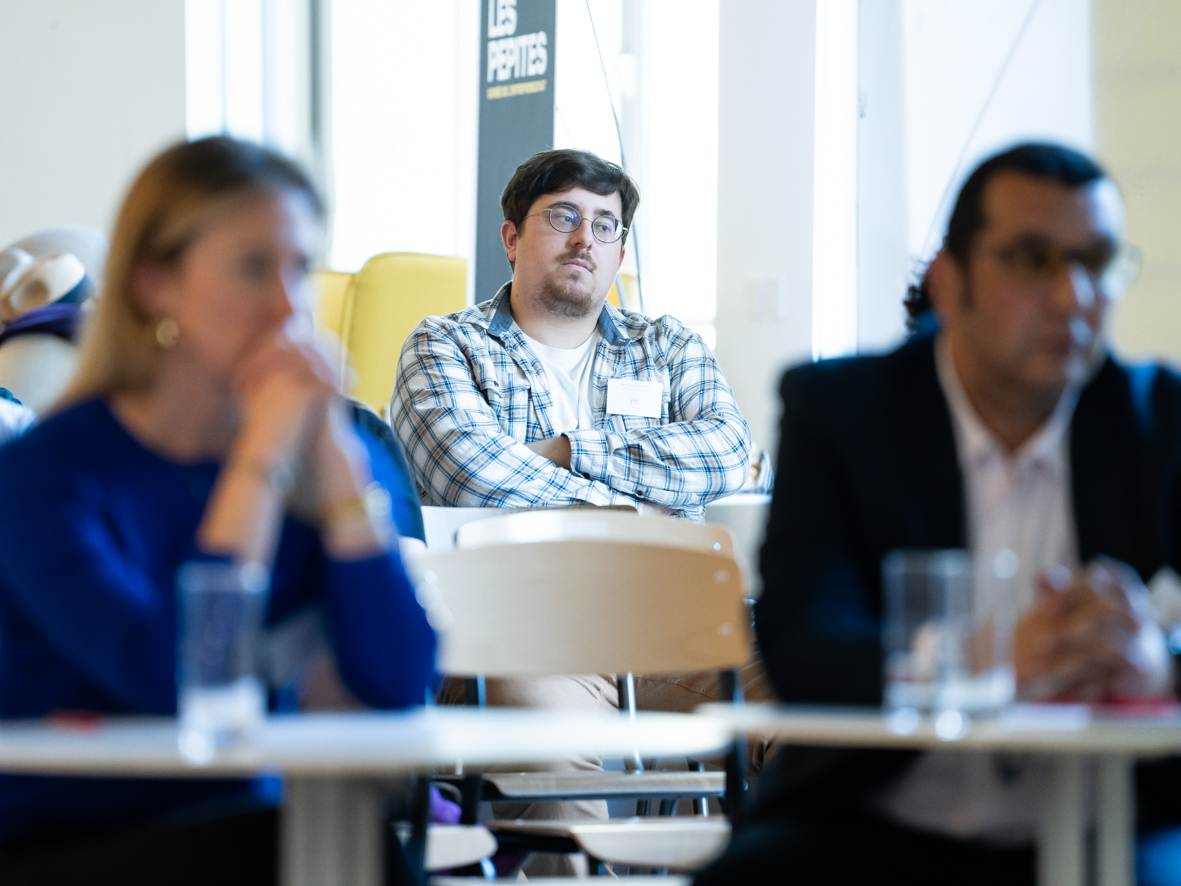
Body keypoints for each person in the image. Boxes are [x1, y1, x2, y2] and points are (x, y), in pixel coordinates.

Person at [696, 142, 1181, 886]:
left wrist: (1157, 664)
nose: (1073, 296)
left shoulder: (1159, 420)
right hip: (877, 821)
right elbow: (803, 642)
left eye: (1096, 261)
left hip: (1110, 825)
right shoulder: (844, 412)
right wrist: (990, 660)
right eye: (1032, 260)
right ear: (949, 284)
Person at [0, 137, 436, 886]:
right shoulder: (47, 475)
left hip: (242, 826)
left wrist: (333, 461)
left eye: (299, 269)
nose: (288, 306)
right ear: (153, 283)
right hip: (59, 840)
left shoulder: (319, 452)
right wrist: (259, 461)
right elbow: (173, 682)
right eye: (253, 268)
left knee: (355, 850)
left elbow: (397, 680)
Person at [391, 148, 768, 874]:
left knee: (823, 710)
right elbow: (473, 473)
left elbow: (727, 452)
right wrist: (637, 513)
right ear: (511, 237)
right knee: (555, 777)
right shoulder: (446, 347)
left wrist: (568, 450)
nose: (583, 240)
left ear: (620, 250)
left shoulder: (668, 347)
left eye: (604, 225)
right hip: (523, 636)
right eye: (562, 217)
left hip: (678, 629)